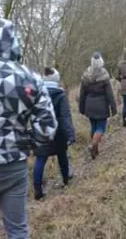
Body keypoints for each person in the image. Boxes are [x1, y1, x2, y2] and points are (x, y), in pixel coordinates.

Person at [0, 17, 57, 239]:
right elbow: (47, 128)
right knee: (17, 230)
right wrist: (27, 144)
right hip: (13, 167)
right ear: (15, 43)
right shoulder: (30, 77)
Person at [33, 67, 76, 200]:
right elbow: (65, 117)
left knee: (40, 159)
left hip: (41, 130)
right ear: (56, 79)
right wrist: (70, 134)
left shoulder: (36, 94)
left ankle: (38, 191)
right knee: (62, 155)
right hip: (58, 132)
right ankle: (66, 181)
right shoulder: (60, 95)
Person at [79, 52, 117, 159]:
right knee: (100, 128)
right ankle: (92, 145)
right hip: (101, 106)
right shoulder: (104, 75)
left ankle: (95, 151)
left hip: (89, 106)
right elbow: (109, 94)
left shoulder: (86, 75)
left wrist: (81, 108)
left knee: (94, 127)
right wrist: (113, 108)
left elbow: (82, 94)